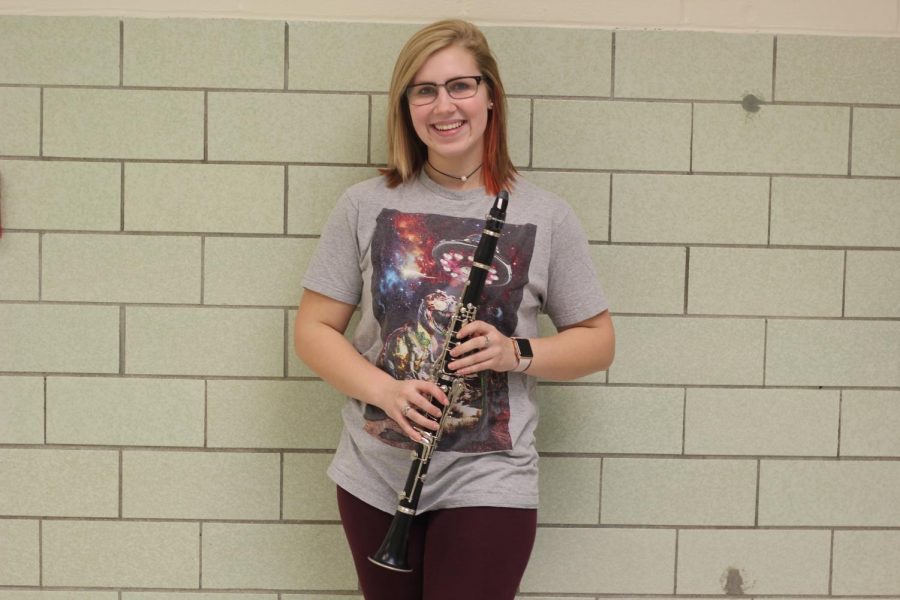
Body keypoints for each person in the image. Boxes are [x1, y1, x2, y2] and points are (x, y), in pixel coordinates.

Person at [294, 19, 615, 600]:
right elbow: (314, 330)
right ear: (407, 106)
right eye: (424, 90)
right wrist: (386, 391)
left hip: (489, 477)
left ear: (491, 95)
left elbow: (597, 341)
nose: (444, 105)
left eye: (460, 86)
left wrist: (514, 351)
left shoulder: (546, 215)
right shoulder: (364, 204)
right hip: (375, 474)